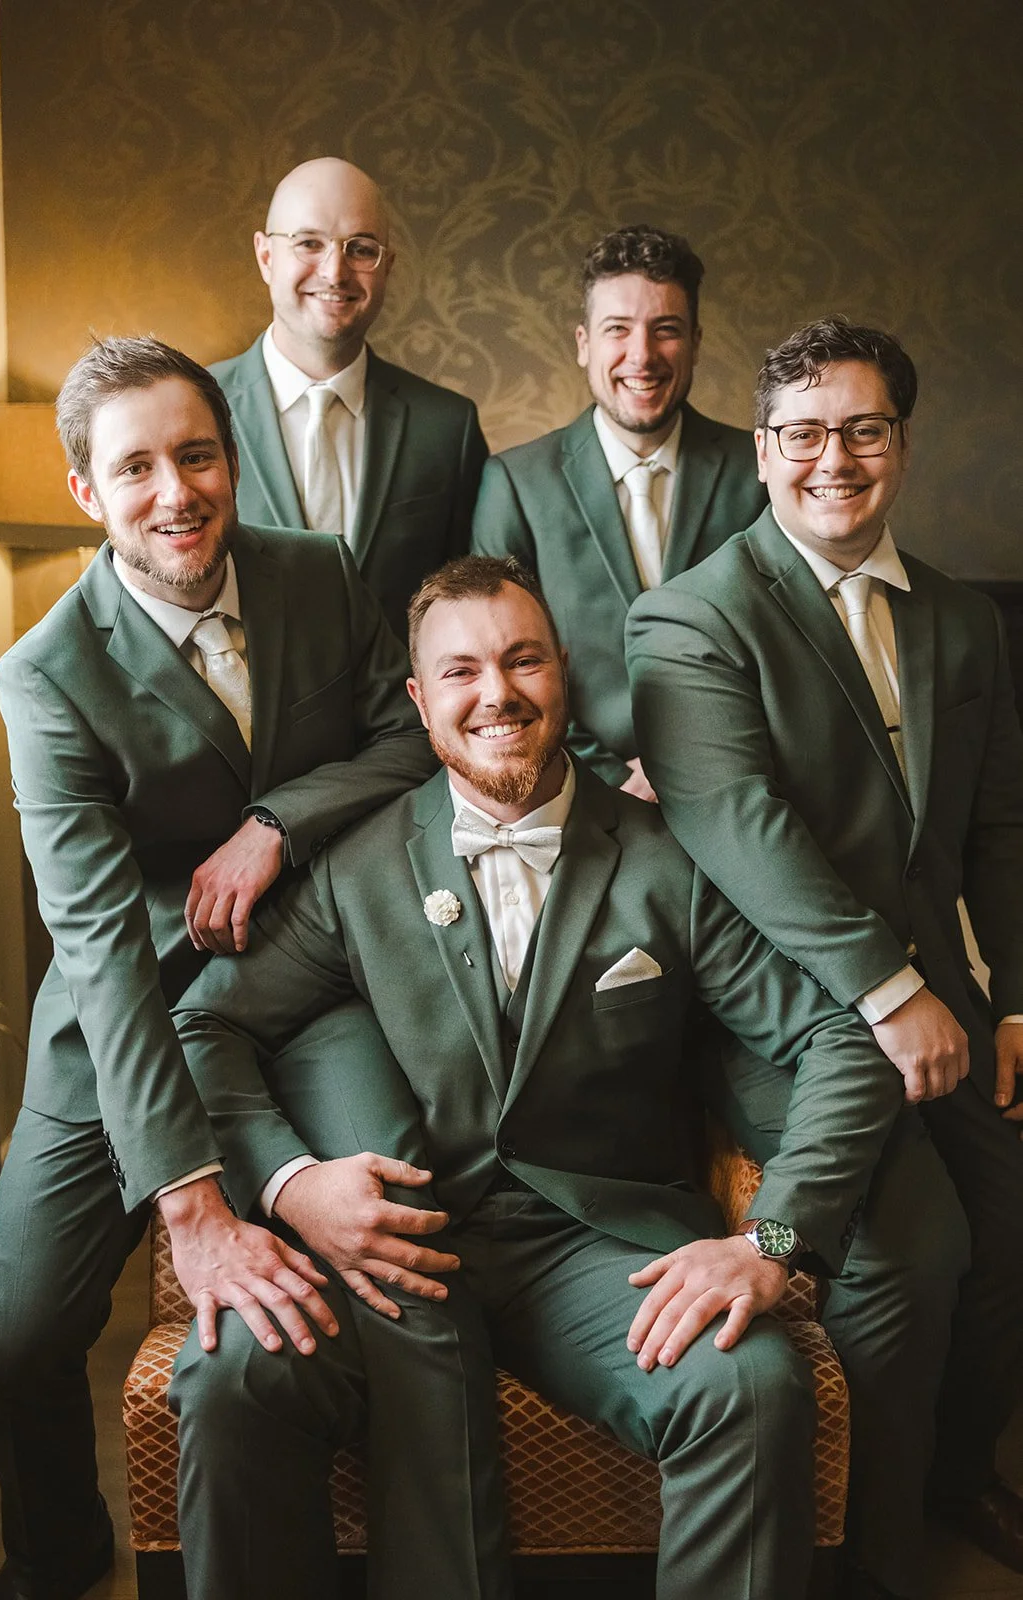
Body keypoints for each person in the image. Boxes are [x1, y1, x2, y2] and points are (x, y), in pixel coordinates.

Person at [168, 554, 950, 1600]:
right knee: (231, 1372)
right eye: (461, 673)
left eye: (521, 659)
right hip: (386, 1251)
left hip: (596, 1249)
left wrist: (769, 1243)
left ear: (563, 673)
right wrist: (290, 1184)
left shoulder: (668, 860)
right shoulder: (352, 869)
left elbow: (838, 1041)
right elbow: (203, 1026)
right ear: (419, 701)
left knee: (751, 1382)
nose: (497, 693)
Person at [0, 336, 478, 1600]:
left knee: (400, 1228)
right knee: (15, 1343)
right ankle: (57, 1552)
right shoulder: (42, 675)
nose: (173, 491)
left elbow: (403, 746)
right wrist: (190, 1211)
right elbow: (89, 939)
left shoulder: (318, 573)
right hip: (124, 1004)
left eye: (195, 454)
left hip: (313, 983)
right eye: (132, 467)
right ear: (86, 491)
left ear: (231, 458)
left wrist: (277, 822)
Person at [627, 317, 1023, 1597]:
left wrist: (1010, 995)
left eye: (862, 429)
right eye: (802, 433)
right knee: (909, 1260)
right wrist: (889, 990)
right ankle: (876, 1563)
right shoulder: (686, 620)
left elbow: (996, 826)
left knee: (1008, 1223)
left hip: (949, 999)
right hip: (777, 1017)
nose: (831, 460)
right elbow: (739, 827)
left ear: (900, 443)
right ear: (760, 449)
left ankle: (952, 1480)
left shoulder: (963, 623)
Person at [472, 224, 766, 797]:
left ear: (697, 342)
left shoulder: (756, 471)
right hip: (574, 791)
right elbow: (498, 663)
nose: (643, 355)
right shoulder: (515, 482)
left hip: (737, 783)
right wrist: (606, 774)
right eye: (617, 330)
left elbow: (784, 648)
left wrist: (707, 764)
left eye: (666, 331)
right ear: (584, 343)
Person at [210, 156, 487, 639]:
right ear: (265, 256)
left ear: (388, 266)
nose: (335, 272)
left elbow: (467, 608)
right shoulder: (197, 408)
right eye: (309, 244)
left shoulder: (448, 427)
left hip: (400, 713)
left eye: (361, 249)